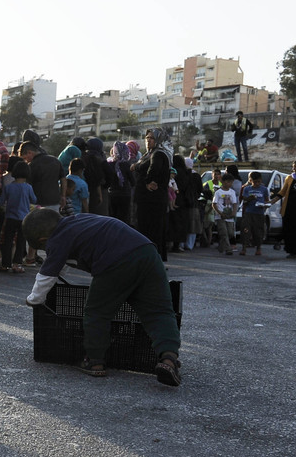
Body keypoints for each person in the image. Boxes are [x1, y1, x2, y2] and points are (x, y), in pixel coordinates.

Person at [23, 208, 182, 386]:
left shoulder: (57, 238)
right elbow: (66, 259)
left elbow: (47, 275)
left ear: (43, 240)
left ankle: (95, 361)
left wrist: (34, 299)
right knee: (159, 311)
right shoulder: (78, 221)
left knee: (97, 312)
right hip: (148, 252)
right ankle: (168, 358)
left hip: (116, 261)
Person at [132, 127, 173, 261]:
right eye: (147, 138)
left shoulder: (158, 154)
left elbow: (154, 168)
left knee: (151, 229)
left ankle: (151, 259)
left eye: (152, 138)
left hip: (151, 200)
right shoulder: (149, 153)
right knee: (148, 229)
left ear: (159, 140)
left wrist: (149, 181)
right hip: (147, 199)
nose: (148, 140)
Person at [0, 158, 35, 272]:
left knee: (7, 241)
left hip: (10, 217)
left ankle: (5, 264)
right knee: (21, 242)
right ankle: (17, 264)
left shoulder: (9, 187)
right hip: (23, 218)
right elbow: (34, 199)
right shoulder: (28, 187)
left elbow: (1, 202)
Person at [240, 171, 270, 257]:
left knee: (258, 231)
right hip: (249, 212)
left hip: (259, 213)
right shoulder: (247, 189)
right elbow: (244, 199)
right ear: (250, 180)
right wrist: (250, 198)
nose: (257, 184)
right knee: (246, 230)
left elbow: (266, 200)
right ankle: (244, 248)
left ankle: (258, 248)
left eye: (258, 182)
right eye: (254, 182)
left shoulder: (264, 189)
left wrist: (265, 205)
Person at [106, 140, 135, 224]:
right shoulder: (126, 165)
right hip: (125, 195)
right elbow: (133, 182)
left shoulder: (109, 164)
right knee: (123, 219)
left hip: (112, 194)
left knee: (113, 218)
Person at [211, 176, 239, 255]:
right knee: (223, 232)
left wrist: (234, 213)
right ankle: (228, 249)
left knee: (230, 233)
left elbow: (234, 203)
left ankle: (222, 246)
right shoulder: (218, 192)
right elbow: (214, 204)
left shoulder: (232, 192)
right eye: (227, 182)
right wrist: (220, 213)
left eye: (231, 182)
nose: (229, 184)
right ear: (223, 182)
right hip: (220, 216)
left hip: (229, 216)